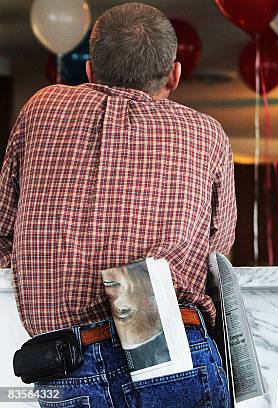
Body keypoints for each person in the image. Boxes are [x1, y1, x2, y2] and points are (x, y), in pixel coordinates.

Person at [0, 3, 235, 407]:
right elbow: (219, 252)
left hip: (66, 363)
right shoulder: (206, 133)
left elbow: (3, 234)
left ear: (89, 71)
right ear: (175, 75)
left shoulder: (42, 110)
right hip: (173, 347)